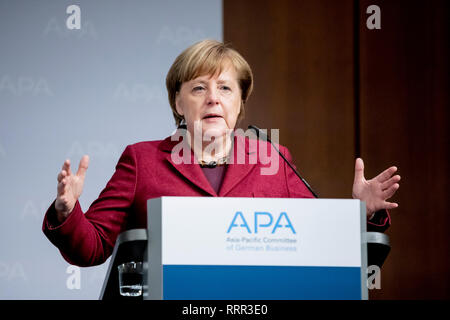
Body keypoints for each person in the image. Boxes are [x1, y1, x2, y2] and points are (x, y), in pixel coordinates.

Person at [42, 39, 400, 267]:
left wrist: (361, 214)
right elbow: (91, 248)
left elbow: (321, 245)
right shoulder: (142, 160)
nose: (213, 97)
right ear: (178, 102)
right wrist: (68, 211)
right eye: (199, 87)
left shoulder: (272, 158)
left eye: (225, 88)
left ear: (239, 102)